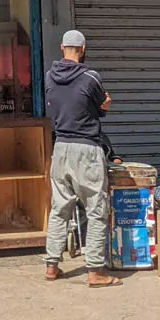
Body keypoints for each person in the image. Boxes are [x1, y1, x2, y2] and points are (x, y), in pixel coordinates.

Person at [43, 30, 121, 287]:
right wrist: (105, 105)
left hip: (60, 148)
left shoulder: (49, 77)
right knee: (96, 211)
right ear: (83, 48)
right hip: (86, 149)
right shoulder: (91, 77)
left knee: (59, 209)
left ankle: (52, 266)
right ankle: (96, 271)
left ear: (62, 47)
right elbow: (101, 105)